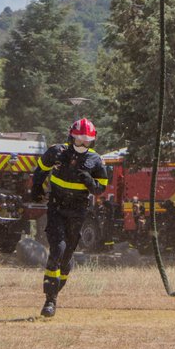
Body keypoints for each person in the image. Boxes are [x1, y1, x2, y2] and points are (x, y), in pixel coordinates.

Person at [30, 117, 109, 318]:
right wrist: (36, 188)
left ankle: (56, 289)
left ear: (93, 141)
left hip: (78, 213)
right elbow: (41, 170)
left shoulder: (96, 160)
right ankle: (50, 300)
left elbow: (101, 188)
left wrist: (89, 181)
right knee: (57, 249)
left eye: (86, 141)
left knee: (65, 258)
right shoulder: (56, 152)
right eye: (79, 140)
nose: (82, 145)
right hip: (56, 209)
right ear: (71, 137)